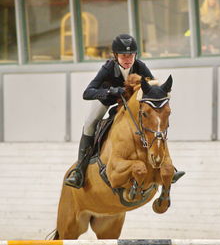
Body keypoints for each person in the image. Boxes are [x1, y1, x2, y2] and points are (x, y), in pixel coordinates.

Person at [65, 33, 184, 189]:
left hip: (130, 103)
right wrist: (110, 91)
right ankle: (79, 170)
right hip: (107, 100)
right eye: (123, 56)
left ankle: (167, 165)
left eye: (131, 55)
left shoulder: (140, 66)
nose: (128, 59)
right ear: (116, 56)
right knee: (89, 124)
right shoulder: (108, 68)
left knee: (154, 124)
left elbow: (152, 89)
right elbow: (87, 93)